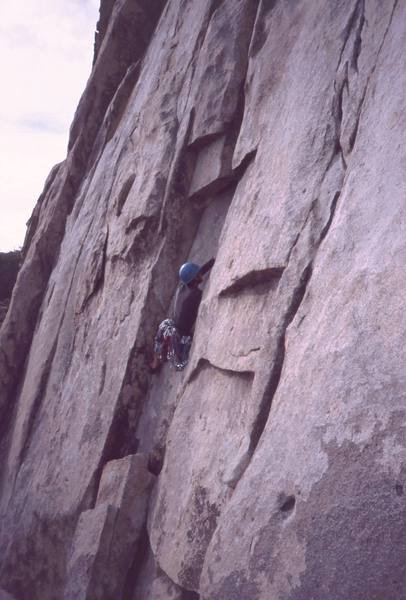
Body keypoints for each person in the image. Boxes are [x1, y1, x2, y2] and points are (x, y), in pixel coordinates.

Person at [150, 257, 215, 372]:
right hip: (182, 335)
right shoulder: (196, 295)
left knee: (164, 325)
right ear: (195, 279)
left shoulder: (182, 286)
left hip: (172, 324)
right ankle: (164, 355)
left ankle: (158, 356)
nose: (200, 274)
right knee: (180, 364)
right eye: (198, 274)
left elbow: (195, 274)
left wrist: (211, 262)